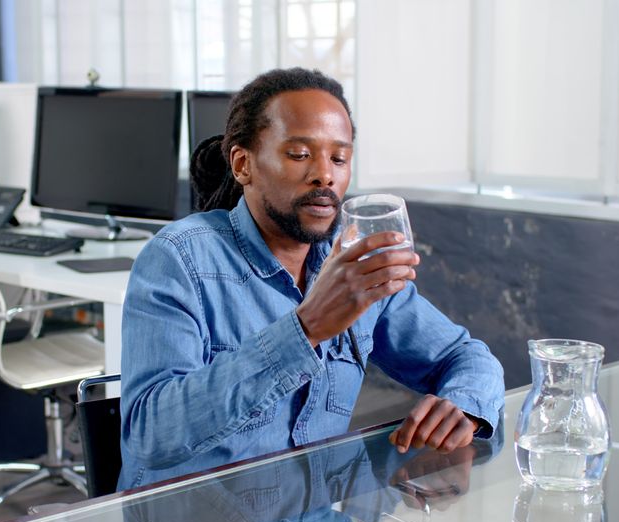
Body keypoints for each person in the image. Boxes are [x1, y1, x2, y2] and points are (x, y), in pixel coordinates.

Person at [118, 67, 504, 491]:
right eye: (300, 154)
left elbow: (466, 356)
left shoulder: (355, 264)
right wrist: (306, 329)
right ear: (244, 164)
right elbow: (151, 436)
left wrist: (464, 406)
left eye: (339, 158)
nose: (326, 175)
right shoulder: (179, 258)